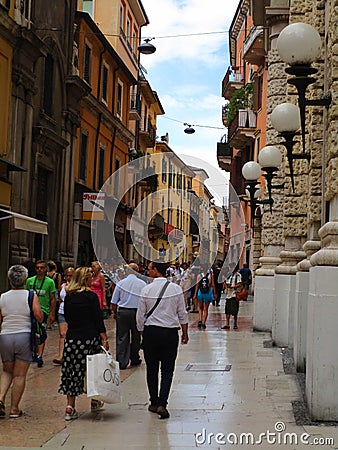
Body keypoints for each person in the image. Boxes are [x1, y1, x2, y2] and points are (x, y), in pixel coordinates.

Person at [136, 260, 188, 419]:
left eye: (150, 268)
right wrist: (185, 333)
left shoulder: (146, 289)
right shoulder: (176, 289)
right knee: (167, 370)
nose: (148, 271)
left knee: (151, 369)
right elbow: (182, 313)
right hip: (170, 333)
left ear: (155, 271)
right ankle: (163, 403)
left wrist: (142, 333)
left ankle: (153, 401)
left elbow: (140, 316)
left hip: (151, 332)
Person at [58, 267, 109, 421]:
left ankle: (70, 406)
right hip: (90, 338)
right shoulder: (91, 297)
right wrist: (104, 338)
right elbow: (97, 319)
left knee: (72, 370)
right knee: (93, 370)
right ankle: (94, 399)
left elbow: (66, 316)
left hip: (73, 338)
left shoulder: (69, 297)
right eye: (90, 277)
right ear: (85, 279)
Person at [0, 265, 43, 418]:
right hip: (23, 335)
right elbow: (38, 315)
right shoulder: (30, 295)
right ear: (25, 280)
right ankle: (14, 409)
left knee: (7, 370)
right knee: (19, 375)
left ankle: (0, 398)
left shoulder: (2, 297)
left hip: (5, 335)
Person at [111, 263, 146, 369]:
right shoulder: (142, 284)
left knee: (122, 337)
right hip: (137, 312)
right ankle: (134, 358)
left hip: (123, 312)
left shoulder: (121, 283)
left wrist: (115, 312)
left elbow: (114, 301)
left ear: (127, 271)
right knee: (136, 336)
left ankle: (122, 361)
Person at [25, 260, 56, 367]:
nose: (39, 269)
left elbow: (52, 299)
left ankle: (39, 356)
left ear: (45, 269)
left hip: (43, 311)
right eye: (37, 267)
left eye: (42, 268)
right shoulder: (29, 281)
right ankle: (32, 353)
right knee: (31, 332)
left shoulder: (50, 282)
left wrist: (52, 313)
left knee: (41, 333)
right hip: (29, 311)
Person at [52, 267, 74, 366]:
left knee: (72, 333)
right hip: (62, 311)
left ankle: (71, 354)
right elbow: (60, 299)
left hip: (72, 312)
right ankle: (61, 355)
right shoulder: (62, 286)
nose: (68, 277)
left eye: (70, 275)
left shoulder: (76, 287)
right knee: (62, 334)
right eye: (67, 275)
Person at [222, 265, 242, 330]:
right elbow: (226, 283)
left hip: (234, 294)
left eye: (231, 267)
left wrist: (233, 287)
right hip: (228, 295)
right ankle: (227, 324)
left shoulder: (238, 275)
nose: (230, 268)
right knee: (227, 310)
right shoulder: (229, 275)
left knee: (235, 310)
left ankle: (235, 323)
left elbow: (240, 284)